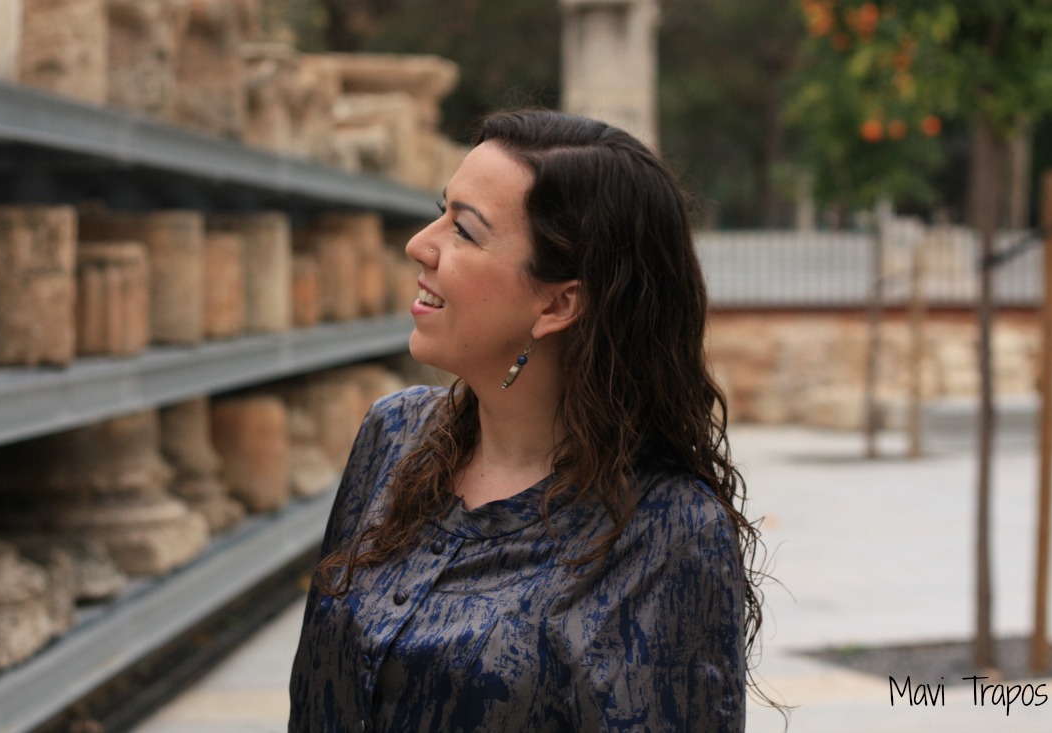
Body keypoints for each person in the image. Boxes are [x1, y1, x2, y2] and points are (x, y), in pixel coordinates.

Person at [288, 109, 763, 732]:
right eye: (441, 211)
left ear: (558, 302)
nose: (420, 244)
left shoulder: (668, 530)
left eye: (464, 230)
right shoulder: (393, 436)